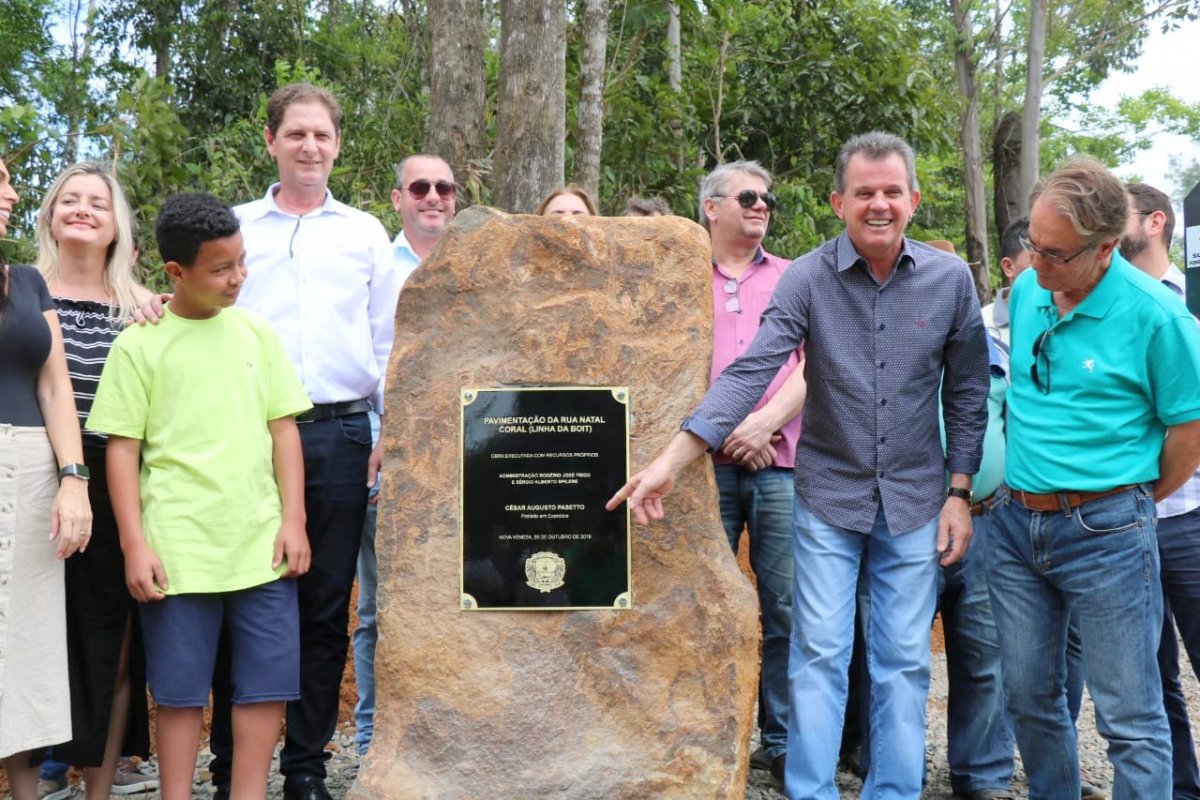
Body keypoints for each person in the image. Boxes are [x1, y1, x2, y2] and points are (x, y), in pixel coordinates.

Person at [607, 131, 990, 799]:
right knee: (818, 654)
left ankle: (892, 792)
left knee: (903, 661)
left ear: (914, 200)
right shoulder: (807, 277)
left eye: (892, 192)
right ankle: (812, 791)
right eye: (864, 192)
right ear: (839, 201)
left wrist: (959, 491)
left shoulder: (950, 279)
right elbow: (753, 368)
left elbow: (967, 393)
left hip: (913, 498)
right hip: (828, 497)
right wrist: (675, 457)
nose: (879, 204)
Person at [87, 192, 313, 800]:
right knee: (181, 692)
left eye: (242, 262)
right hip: (178, 549)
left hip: (259, 544)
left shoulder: (256, 334)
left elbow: (283, 429)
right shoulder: (140, 345)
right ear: (175, 274)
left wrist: (293, 518)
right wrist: (135, 545)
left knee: (265, 685)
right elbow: (122, 450)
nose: (237, 277)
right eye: (221, 268)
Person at [988, 157, 1200, 799]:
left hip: (1106, 532)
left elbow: (1188, 434)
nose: (1038, 265)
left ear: (1107, 246)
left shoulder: (1160, 319)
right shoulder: (1028, 291)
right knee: (1029, 700)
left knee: (1131, 719)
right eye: (1033, 244)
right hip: (1015, 529)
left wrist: (1127, 501)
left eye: (1055, 253)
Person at [217, 83, 401, 800]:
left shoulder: (362, 235)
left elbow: (387, 340)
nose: (309, 147)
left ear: (338, 144)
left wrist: (386, 432)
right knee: (243, 597)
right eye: (296, 134)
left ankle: (305, 768)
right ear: (271, 141)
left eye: (322, 135)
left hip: (340, 432)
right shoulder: (235, 229)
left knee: (325, 606)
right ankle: (237, 769)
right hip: (245, 437)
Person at [31, 162, 156, 800]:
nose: (82, 209)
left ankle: (99, 791)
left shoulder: (144, 308)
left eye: (97, 203)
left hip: (115, 481)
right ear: (50, 215)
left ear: (116, 226)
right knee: (28, 637)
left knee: (111, 639)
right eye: (69, 200)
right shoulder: (21, 294)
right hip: (30, 478)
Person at [698, 160, 803, 786]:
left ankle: (785, 744)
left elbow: (817, 362)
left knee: (788, 608)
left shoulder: (795, 277)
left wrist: (762, 425)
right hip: (700, 471)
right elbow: (669, 362)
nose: (760, 204)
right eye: (746, 196)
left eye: (766, 196)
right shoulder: (681, 276)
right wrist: (727, 431)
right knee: (701, 606)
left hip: (783, 465)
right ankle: (710, 738)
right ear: (712, 207)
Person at [353, 153, 457, 755]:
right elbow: (364, 357)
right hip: (386, 455)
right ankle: (372, 742)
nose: (433, 196)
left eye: (444, 187)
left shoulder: (475, 262)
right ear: (397, 198)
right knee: (377, 609)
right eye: (420, 186)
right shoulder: (375, 265)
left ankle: (442, 742)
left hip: (468, 461)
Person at [0, 156, 93, 800]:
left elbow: (55, 384)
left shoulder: (29, 282)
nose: (10, 192)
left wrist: (73, 477)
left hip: (33, 473)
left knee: (28, 644)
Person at [1120, 180, 1200, 800]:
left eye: (1113, 215)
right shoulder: (1106, 304)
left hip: (1190, 515)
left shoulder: (1192, 299)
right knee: (1150, 676)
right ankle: (1178, 789)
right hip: (1120, 523)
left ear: (1154, 223)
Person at [980, 217, 1032, 346]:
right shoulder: (982, 325)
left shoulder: (1064, 319)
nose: (1047, 266)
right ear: (1008, 267)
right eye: (1035, 259)